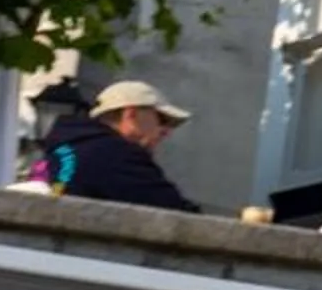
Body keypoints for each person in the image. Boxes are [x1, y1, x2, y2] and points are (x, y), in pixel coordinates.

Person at [27, 81, 200, 212]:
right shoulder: (114, 153)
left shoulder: (64, 149)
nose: (166, 131)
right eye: (162, 120)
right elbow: (172, 209)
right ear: (131, 114)